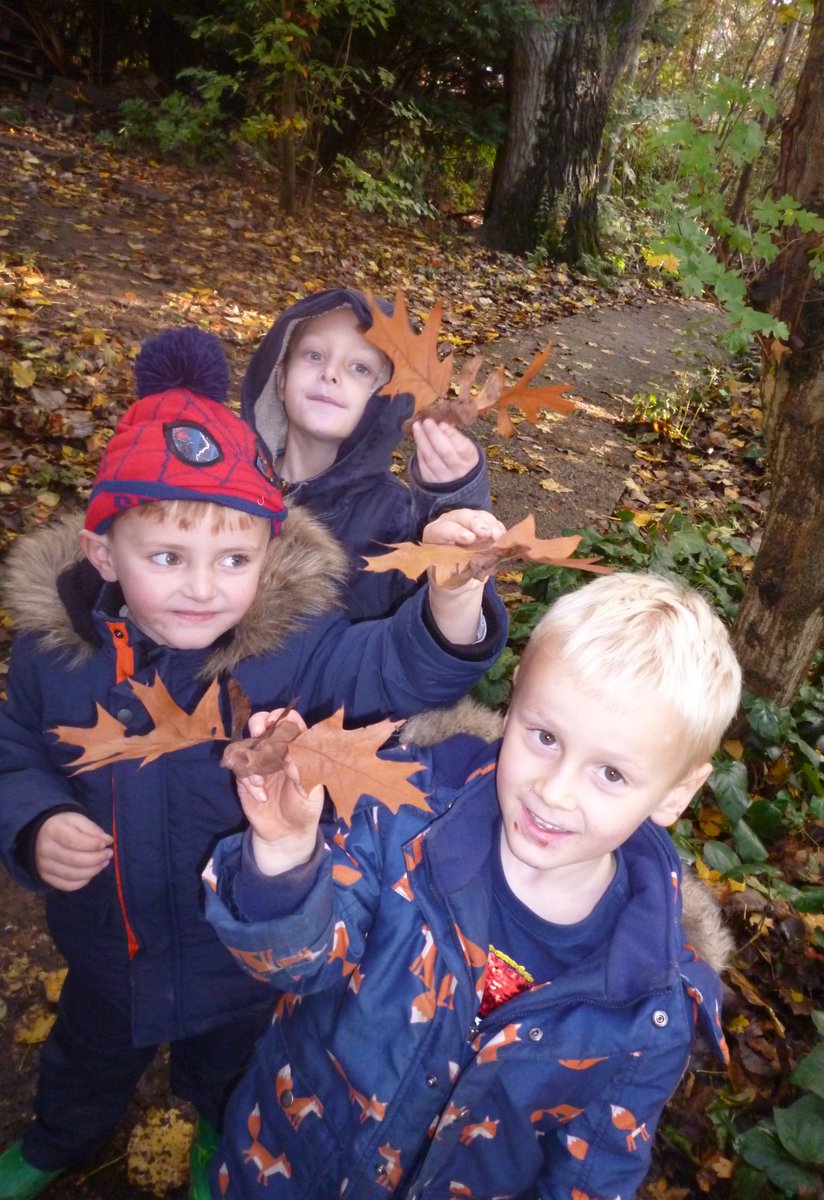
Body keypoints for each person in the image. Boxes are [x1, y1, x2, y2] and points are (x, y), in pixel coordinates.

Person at [0, 326, 507, 1200]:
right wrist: (33, 820)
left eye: (234, 559)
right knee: (86, 1055)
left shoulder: (289, 651)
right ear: (101, 553)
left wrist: (453, 600)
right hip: (106, 948)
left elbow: (396, 668)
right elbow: (12, 747)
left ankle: (218, 1142)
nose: (203, 587)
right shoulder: (53, 655)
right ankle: (59, 1139)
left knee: (228, 1071)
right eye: (167, 557)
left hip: (235, 956)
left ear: (269, 556)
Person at [203, 570, 742, 1200]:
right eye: (544, 738)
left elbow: (592, 1171)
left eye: (612, 775)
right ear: (514, 701)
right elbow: (294, 965)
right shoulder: (404, 818)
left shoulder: (648, 1007)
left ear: (676, 792)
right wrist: (285, 852)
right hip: (284, 1166)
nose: (554, 790)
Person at [241, 286, 492, 620]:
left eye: (359, 368)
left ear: (387, 398)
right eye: (314, 355)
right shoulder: (222, 482)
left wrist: (455, 500)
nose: (329, 373)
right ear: (281, 377)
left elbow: (449, 615)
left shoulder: (395, 520)